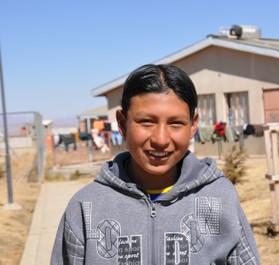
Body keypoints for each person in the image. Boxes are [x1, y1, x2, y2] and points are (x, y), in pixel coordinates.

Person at [51, 64, 260, 264]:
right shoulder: (87, 207)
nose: (161, 139)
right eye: (146, 122)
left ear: (193, 125)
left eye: (176, 123)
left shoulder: (218, 198)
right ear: (123, 124)